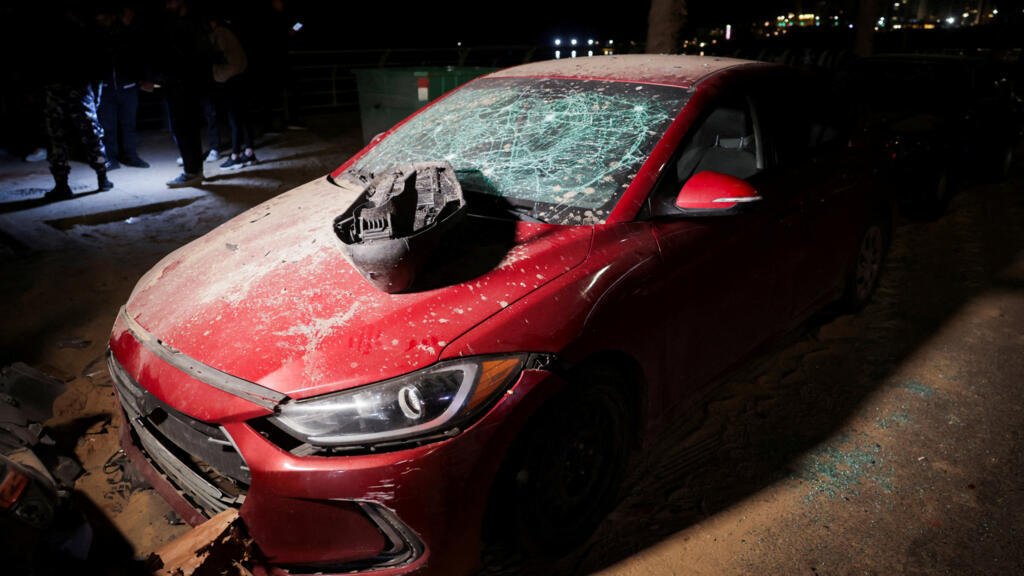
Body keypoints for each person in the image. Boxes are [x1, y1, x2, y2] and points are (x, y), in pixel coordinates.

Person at [41, 5, 112, 199]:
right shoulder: (84, 26)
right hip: (76, 86)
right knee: (89, 132)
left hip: (63, 85)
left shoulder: (52, 25)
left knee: (59, 137)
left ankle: (64, 184)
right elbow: (98, 60)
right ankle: (102, 178)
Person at [149, 0, 212, 188]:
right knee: (188, 129)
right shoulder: (193, 26)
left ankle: (191, 171)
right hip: (187, 85)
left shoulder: (180, 27)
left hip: (180, 86)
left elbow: (175, 59)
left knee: (184, 129)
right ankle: (194, 169)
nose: (167, 6)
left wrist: (161, 78)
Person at [96, 3, 149, 170]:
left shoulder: (129, 33)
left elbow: (138, 55)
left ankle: (131, 156)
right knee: (108, 126)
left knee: (129, 124)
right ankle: (110, 158)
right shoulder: (101, 34)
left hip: (128, 86)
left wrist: (141, 79)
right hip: (106, 87)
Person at [209, 16, 256, 169]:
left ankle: (235, 155)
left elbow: (220, 54)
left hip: (231, 80)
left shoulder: (220, 33)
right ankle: (249, 152)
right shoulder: (232, 32)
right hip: (242, 76)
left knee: (234, 119)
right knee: (244, 116)